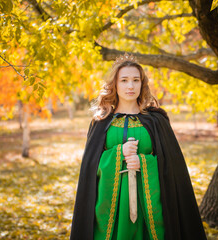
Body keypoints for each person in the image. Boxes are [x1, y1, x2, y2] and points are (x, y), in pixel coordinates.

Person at [70, 53, 207, 240]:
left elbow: (172, 166)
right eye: (124, 80)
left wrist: (144, 162)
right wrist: (119, 153)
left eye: (136, 80)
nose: (130, 86)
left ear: (142, 84)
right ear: (115, 85)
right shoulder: (101, 122)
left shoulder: (156, 120)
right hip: (111, 205)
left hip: (148, 205)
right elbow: (90, 166)